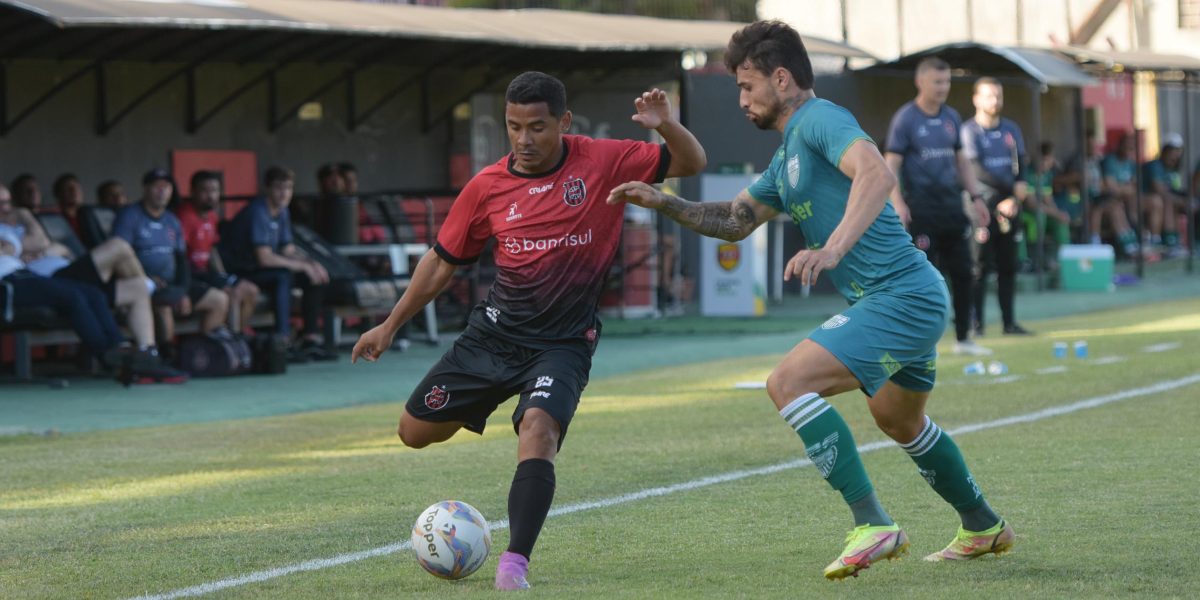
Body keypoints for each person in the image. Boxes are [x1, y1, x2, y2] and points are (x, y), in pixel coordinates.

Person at [609, 21, 1013, 580]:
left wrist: (833, 248)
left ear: (781, 78)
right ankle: (983, 525)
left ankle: (873, 523)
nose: (742, 99)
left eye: (747, 86)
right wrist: (665, 202)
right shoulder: (787, 156)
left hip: (901, 296)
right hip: (908, 297)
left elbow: (875, 174)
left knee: (787, 382)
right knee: (898, 420)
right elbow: (734, 220)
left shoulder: (821, 119)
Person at [351, 71, 706, 590]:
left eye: (537, 127)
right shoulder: (487, 187)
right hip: (493, 338)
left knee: (539, 431)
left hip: (562, 344)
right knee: (413, 432)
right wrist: (389, 325)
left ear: (564, 122)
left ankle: (514, 564)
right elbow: (442, 261)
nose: (524, 139)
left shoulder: (603, 160)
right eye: (514, 127)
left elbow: (692, 162)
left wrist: (666, 125)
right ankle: (492, 398)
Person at [0, 185, 183, 383]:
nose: (7, 209)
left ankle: (130, 351)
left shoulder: (9, 227)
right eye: (0, 203)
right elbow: (18, 247)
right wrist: (20, 240)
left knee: (96, 293)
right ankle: (107, 354)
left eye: (8, 203)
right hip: (12, 280)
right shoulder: (10, 228)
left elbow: (38, 244)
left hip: (32, 275)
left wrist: (27, 239)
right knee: (78, 289)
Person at [884, 57, 993, 356]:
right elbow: (890, 165)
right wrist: (898, 203)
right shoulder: (906, 119)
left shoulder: (951, 117)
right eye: (937, 82)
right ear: (920, 82)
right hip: (922, 210)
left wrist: (976, 197)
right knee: (923, 279)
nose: (943, 88)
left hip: (952, 208)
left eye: (946, 82)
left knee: (964, 273)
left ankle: (964, 339)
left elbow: (961, 162)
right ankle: (918, 345)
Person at [221, 166, 336, 362]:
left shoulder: (282, 211)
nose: (284, 193)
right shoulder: (257, 211)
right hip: (241, 271)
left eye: (288, 188)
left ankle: (310, 338)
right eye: (278, 187)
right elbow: (264, 258)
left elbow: (287, 249)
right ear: (267, 189)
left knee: (313, 277)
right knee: (283, 276)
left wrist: (311, 264)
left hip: (263, 270)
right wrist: (302, 266)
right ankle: (283, 341)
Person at [113, 168, 231, 354]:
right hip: (142, 283)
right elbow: (119, 256)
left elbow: (182, 261)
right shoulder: (130, 215)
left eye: (166, 187)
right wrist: (147, 278)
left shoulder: (172, 220)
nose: (162, 192)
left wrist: (182, 291)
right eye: (157, 186)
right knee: (165, 305)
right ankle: (167, 354)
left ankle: (203, 355)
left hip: (173, 284)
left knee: (219, 299)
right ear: (145, 188)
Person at [961, 78, 1032, 336]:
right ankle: (976, 324)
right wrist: (1010, 190)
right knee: (978, 267)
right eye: (989, 95)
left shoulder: (1011, 129)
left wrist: (1015, 196)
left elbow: (1021, 164)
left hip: (1009, 207)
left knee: (1008, 267)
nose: (995, 101)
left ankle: (1009, 323)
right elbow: (975, 169)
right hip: (980, 207)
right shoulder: (969, 131)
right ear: (976, 99)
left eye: (998, 96)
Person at [178, 170, 261, 333]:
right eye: (205, 190)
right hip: (191, 274)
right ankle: (225, 339)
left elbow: (211, 250)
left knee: (251, 290)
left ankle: (236, 335)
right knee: (232, 293)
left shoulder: (212, 216)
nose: (210, 196)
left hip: (206, 273)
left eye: (214, 190)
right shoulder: (184, 217)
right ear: (192, 192)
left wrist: (222, 275)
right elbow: (179, 256)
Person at [1098, 133, 1150, 258]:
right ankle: (1129, 246)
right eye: (1126, 146)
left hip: (1126, 201)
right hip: (1106, 201)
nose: (1129, 150)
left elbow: (1134, 187)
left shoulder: (1131, 164)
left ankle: (1145, 239)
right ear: (1119, 146)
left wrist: (1122, 188)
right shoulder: (1109, 160)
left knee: (1139, 202)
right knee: (1117, 208)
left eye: (1131, 148)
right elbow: (1111, 188)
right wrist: (1124, 188)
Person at [1142, 133, 1190, 258]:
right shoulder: (1154, 165)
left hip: (1163, 202)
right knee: (1168, 201)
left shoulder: (1173, 169)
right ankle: (1168, 242)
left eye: (1178, 151)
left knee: (1175, 203)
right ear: (1165, 151)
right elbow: (1158, 190)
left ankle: (1176, 241)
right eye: (1172, 150)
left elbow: (1175, 189)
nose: (1175, 154)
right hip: (1145, 201)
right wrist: (1180, 200)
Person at [52, 173, 86, 239]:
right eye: (68, 188)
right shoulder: (55, 219)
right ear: (59, 194)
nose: (74, 191)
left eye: (77, 187)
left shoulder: (89, 217)